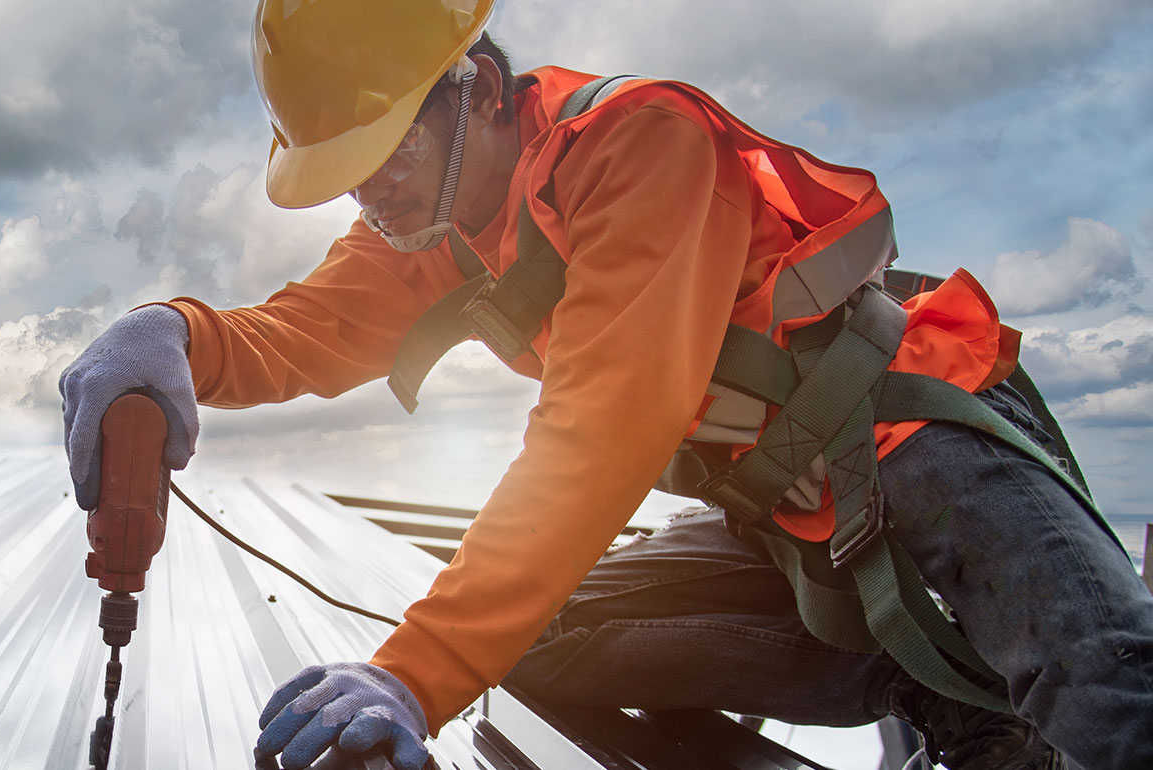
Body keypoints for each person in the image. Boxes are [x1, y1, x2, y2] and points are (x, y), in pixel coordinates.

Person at [57, 1, 1153, 768]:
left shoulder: (637, 143)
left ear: (475, 88)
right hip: (786, 507)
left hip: (912, 433)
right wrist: (172, 335)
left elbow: (598, 429)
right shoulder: (439, 222)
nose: (369, 201)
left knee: (1112, 700)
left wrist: (413, 671)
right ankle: (928, 687)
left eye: (383, 157)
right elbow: (302, 328)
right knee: (536, 641)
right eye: (343, 178)